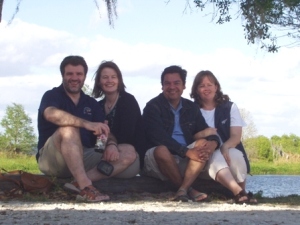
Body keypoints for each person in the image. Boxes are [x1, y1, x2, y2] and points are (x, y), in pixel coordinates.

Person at [37, 55, 136, 202]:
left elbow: (103, 130)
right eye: (70, 74)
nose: (74, 78)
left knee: (128, 150)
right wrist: (85, 124)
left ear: (84, 76)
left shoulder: (91, 103)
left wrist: (110, 144)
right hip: (54, 159)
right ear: (62, 75)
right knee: (68, 130)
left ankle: (77, 183)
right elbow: (50, 114)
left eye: (79, 74)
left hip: (83, 155)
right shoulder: (52, 95)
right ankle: (86, 187)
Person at [142, 65, 221, 202]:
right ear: (162, 86)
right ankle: (189, 189)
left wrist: (213, 143)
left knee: (203, 143)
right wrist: (186, 151)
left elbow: (205, 131)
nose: (172, 87)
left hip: (185, 158)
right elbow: (158, 137)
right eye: (167, 83)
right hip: (158, 159)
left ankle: (182, 190)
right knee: (162, 150)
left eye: (177, 83)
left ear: (184, 86)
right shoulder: (153, 106)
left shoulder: (191, 107)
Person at [190, 70, 257, 204]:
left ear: (216, 87)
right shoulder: (191, 109)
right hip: (204, 154)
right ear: (196, 90)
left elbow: (236, 136)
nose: (206, 88)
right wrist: (205, 134)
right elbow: (189, 136)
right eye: (202, 86)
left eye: (209, 84)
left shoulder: (230, 107)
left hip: (226, 149)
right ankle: (239, 192)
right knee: (214, 156)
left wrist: (225, 147)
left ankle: (241, 193)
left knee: (236, 155)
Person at [92, 60, 145, 173]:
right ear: (99, 82)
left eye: (113, 77)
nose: (109, 80)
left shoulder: (128, 101)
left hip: (128, 154)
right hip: (106, 152)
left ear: (119, 80)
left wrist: (109, 143)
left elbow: (127, 137)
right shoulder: (98, 106)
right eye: (105, 77)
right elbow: (97, 140)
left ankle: (82, 182)